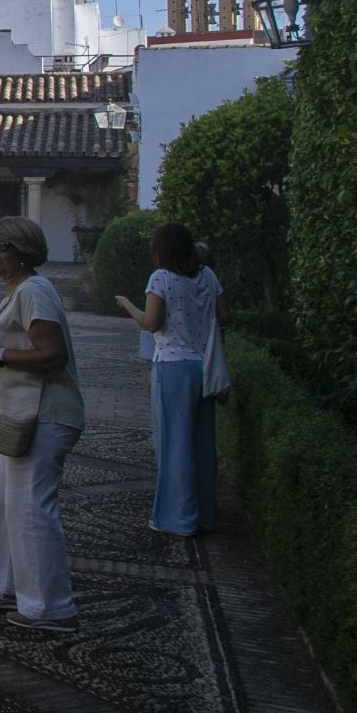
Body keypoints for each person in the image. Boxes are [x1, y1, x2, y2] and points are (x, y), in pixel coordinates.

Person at [0, 215, 86, 633]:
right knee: (3, 504)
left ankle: (52, 608)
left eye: (3, 246)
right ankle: (6, 585)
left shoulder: (34, 291)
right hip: (21, 417)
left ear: (25, 252)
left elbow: (52, 354)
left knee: (32, 510)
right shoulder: (21, 290)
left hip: (45, 415)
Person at [115, 223, 227, 536]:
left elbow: (152, 323)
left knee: (174, 443)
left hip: (173, 366)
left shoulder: (160, 278)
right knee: (203, 443)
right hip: (205, 365)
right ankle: (205, 514)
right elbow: (225, 316)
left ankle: (175, 518)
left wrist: (127, 305)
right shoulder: (208, 275)